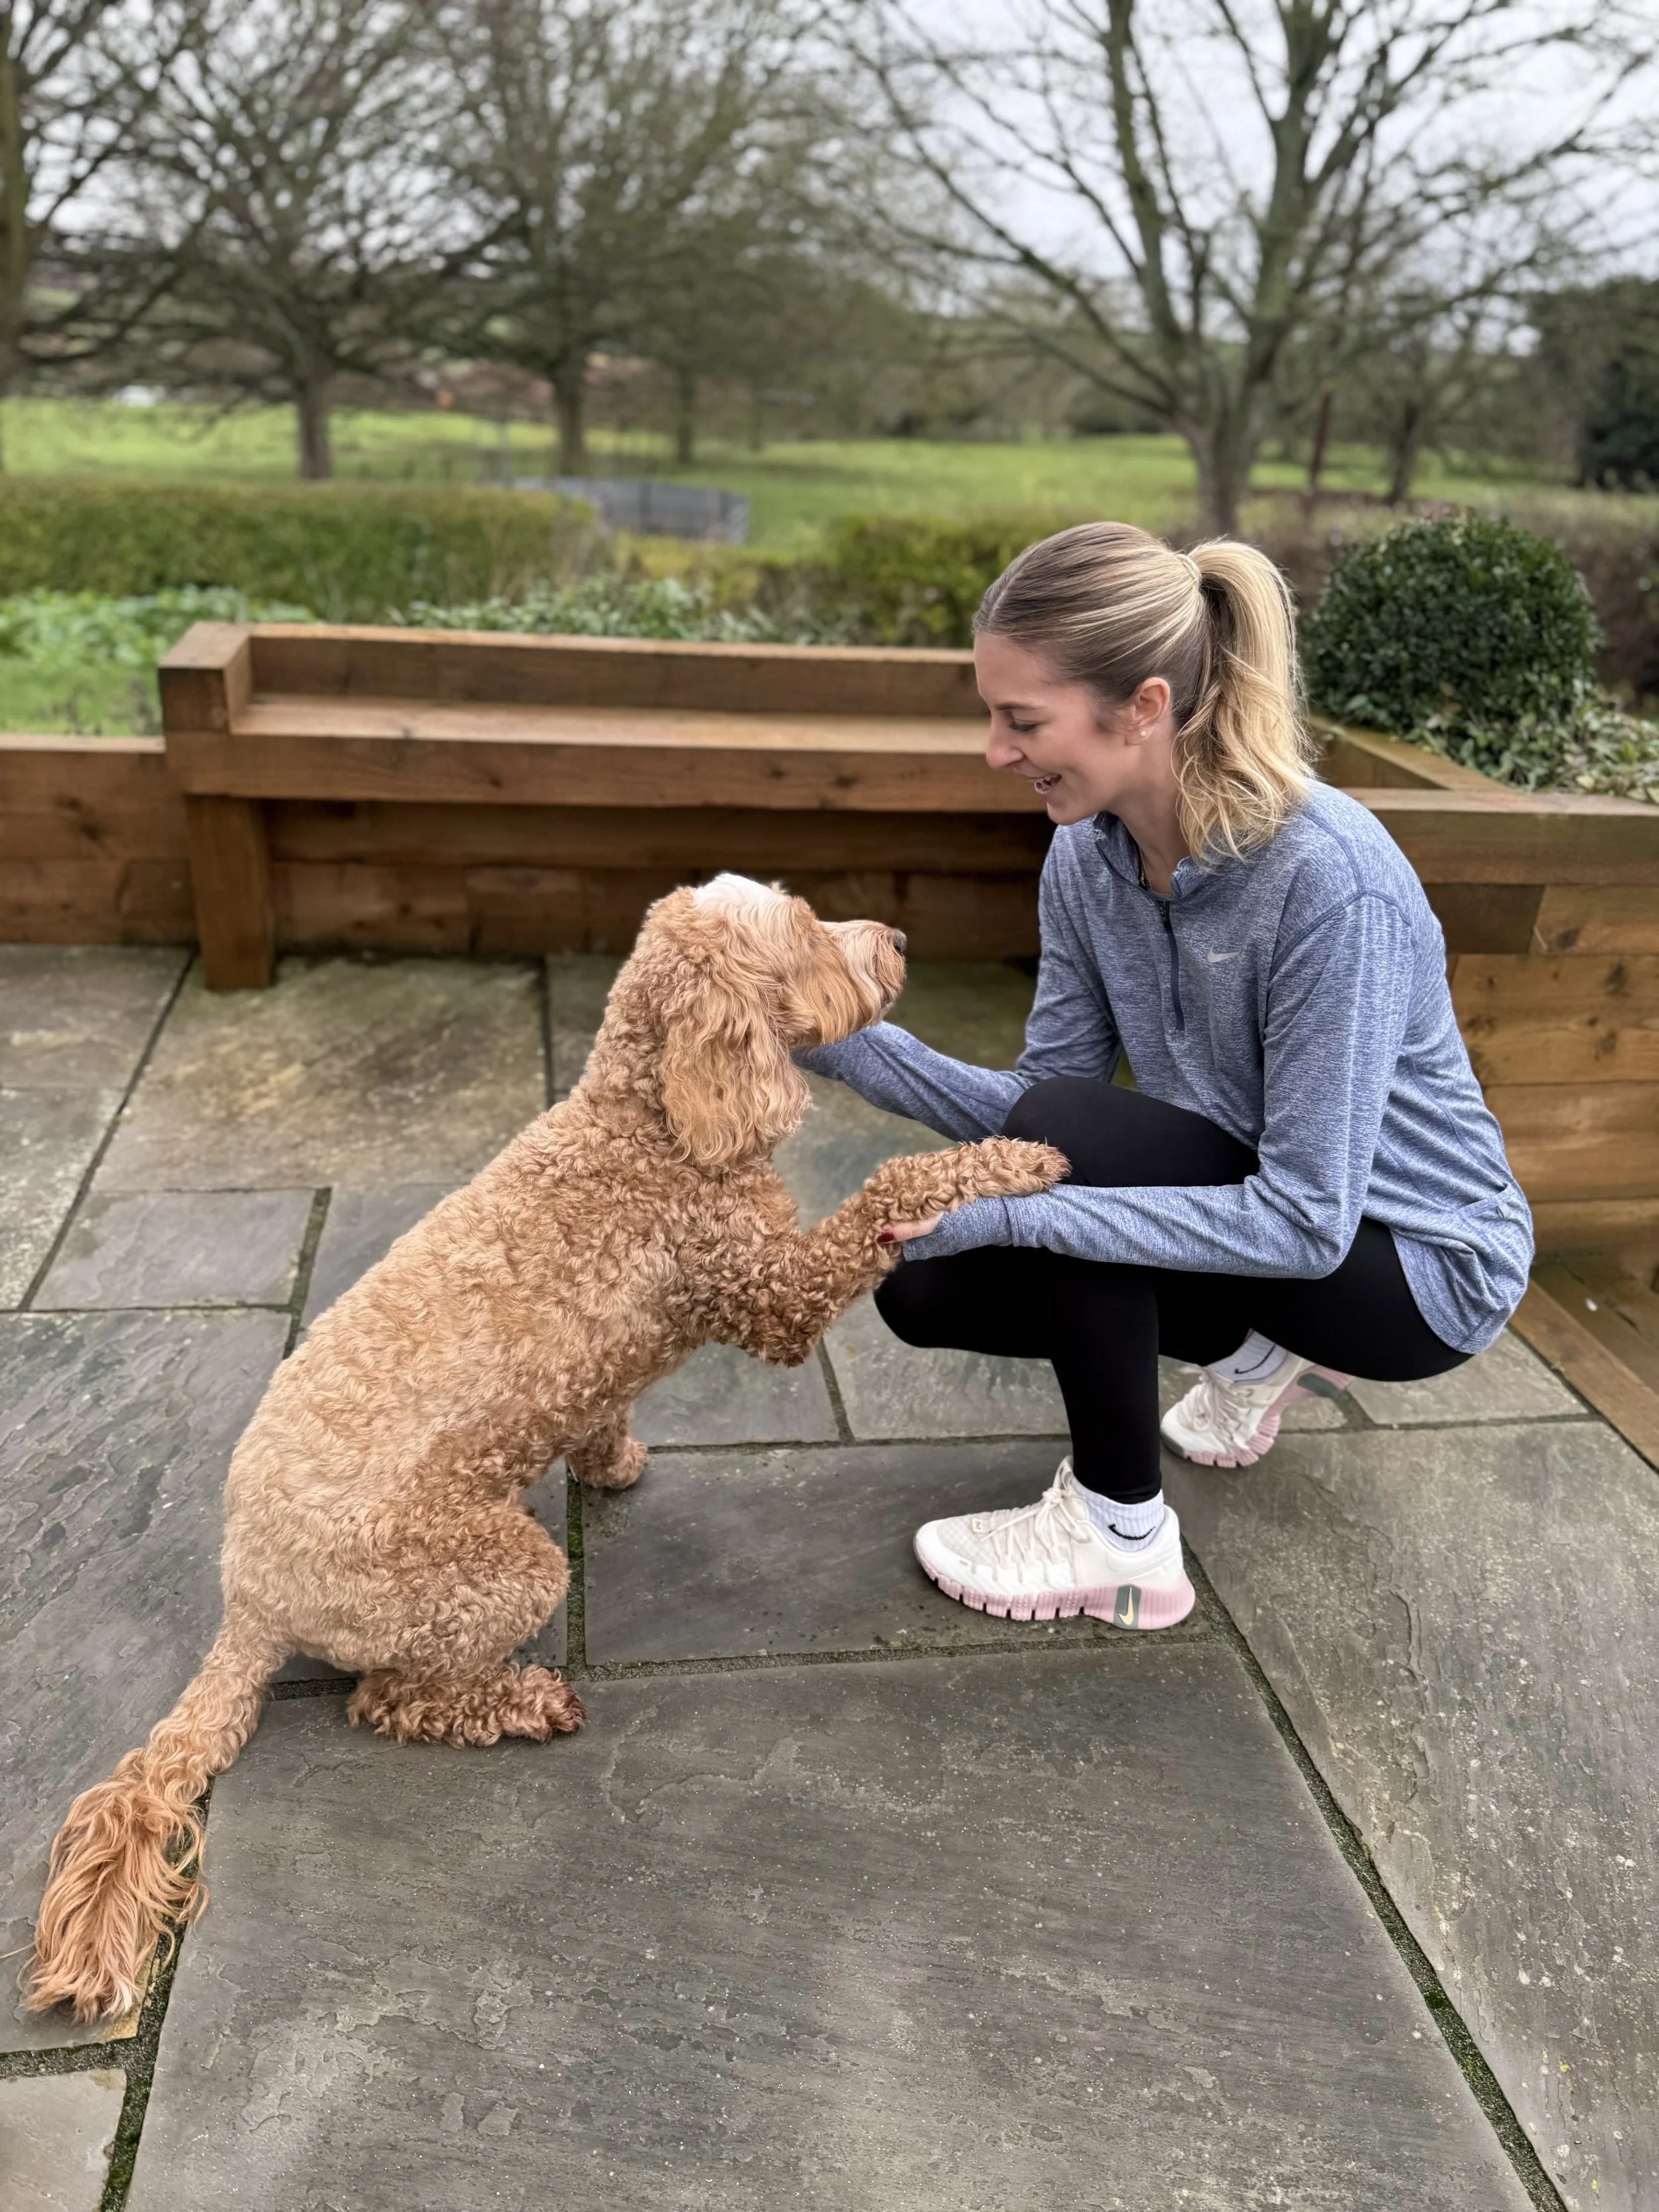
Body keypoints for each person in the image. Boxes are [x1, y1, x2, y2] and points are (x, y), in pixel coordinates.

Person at [800, 522, 1532, 1629]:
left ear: (1143, 707)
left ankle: (1121, 1537)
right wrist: (845, 1042)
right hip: (1281, 1214)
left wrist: (1023, 1219)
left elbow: (1303, 1225)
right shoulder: (1087, 855)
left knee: (1054, 1181)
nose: (998, 752)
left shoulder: (1330, 885)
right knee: (923, 1286)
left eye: (1023, 720)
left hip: (1419, 1267)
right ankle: (1256, 1347)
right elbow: (1039, 1102)